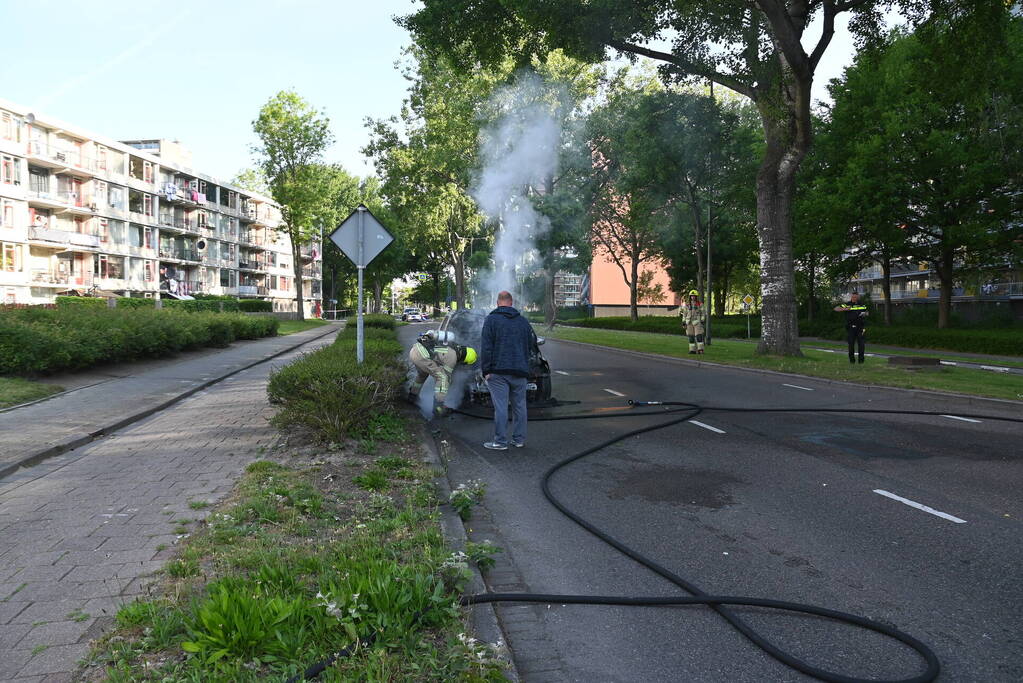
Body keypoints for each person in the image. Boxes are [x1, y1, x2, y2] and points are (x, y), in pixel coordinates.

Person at [480, 291, 532, 450]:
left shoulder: (491, 320)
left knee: (501, 407)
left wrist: (486, 370)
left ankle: (500, 442)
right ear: (511, 303)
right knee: (520, 406)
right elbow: (530, 346)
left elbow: (486, 347)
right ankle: (519, 440)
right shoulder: (523, 322)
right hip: (520, 371)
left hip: (498, 371)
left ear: (497, 303)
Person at [408, 331, 477, 417]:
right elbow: (445, 376)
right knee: (443, 378)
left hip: (415, 350)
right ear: (464, 359)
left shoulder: (454, 346)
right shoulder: (453, 356)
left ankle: (412, 396)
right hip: (422, 356)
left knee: (422, 374)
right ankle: (438, 407)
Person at [834, 292, 869, 364]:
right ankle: (852, 361)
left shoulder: (862, 304)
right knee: (851, 344)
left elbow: (867, 312)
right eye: (853, 297)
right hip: (851, 327)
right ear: (851, 297)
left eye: (856, 297)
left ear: (858, 297)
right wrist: (845, 309)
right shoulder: (847, 304)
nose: (855, 299)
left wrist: (865, 314)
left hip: (861, 327)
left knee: (862, 345)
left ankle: (861, 361)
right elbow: (836, 309)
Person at [680, 289, 706, 354]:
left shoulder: (700, 304)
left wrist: (702, 320)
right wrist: (683, 322)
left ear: (696, 297)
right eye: (692, 296)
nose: (693, 297)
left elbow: (703, 313)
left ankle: (700, 349)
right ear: (690, 296)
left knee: (698, 336)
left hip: (697, 322)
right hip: (689, 322)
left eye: (694, 296)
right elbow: (684, 314)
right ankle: (692, 350)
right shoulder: (687, 304)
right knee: (691, 337)